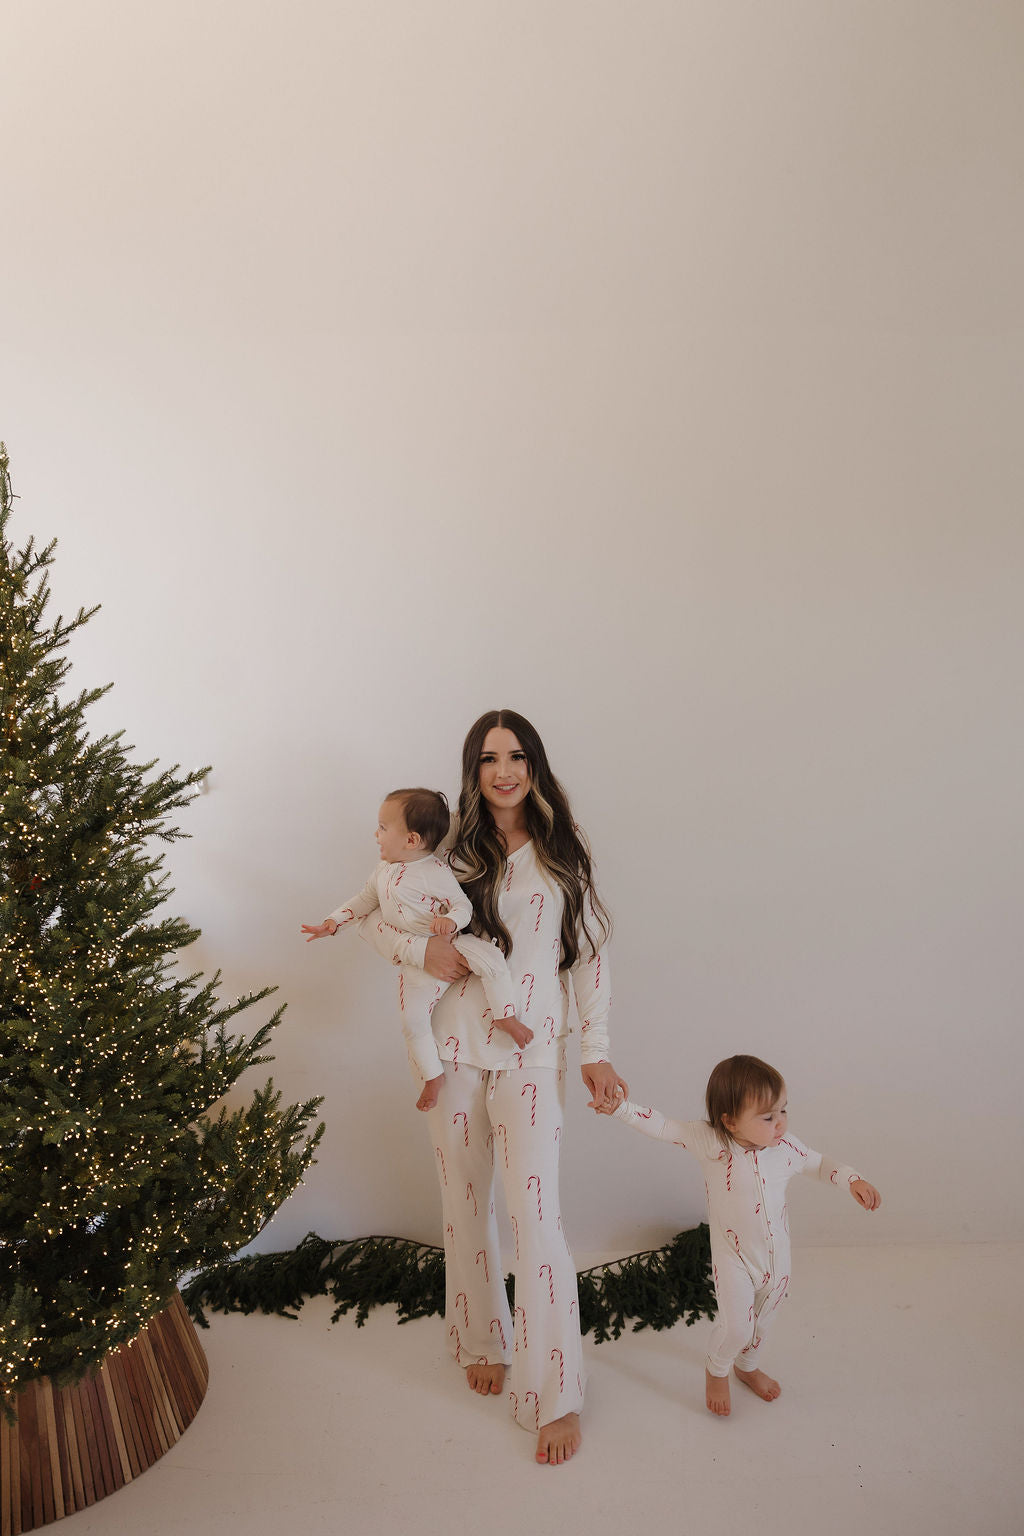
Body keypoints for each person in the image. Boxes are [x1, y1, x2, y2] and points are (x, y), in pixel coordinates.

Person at [361, 710, 628, 1464]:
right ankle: (479, 1336)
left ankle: (556, 1392)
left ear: (535, 765)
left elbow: (589, 961)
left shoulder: (565, 859)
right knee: (463, 1203)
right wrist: (421, 954)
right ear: (472, 771)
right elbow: (378, 920)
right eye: (488, 759)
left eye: (515, 756)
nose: (503, 771)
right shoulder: (446, 854)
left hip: (533, 1055)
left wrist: (596, 1051)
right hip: (452, 1051)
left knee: (536, 1217)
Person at [600, 1054, 881, 1417]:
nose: (780, 1123)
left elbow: (819, 1164)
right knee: (737, 1327)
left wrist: (852, 1179)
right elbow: (665, 1126)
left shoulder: (785, 1148)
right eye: (767, 1117)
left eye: (782, 1110)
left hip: (777, 1260)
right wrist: (620, 1108)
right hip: (734, 1257)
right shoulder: (710, 1142)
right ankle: (716, 1369)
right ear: (730, 1122)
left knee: (763, 1323)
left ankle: (747, 1368)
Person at [302, 787, 531, 1111]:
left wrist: (450, 922)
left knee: (492, 959)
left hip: (452, 944)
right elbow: (365, 901)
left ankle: (505, 1015)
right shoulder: (383, 871)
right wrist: (333, 922)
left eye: (383, 827)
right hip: (417, 965)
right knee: (412, 1022)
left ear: (411, 840)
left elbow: (461, 906)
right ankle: (432, 1076)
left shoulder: (433, 872)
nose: (375, 834)